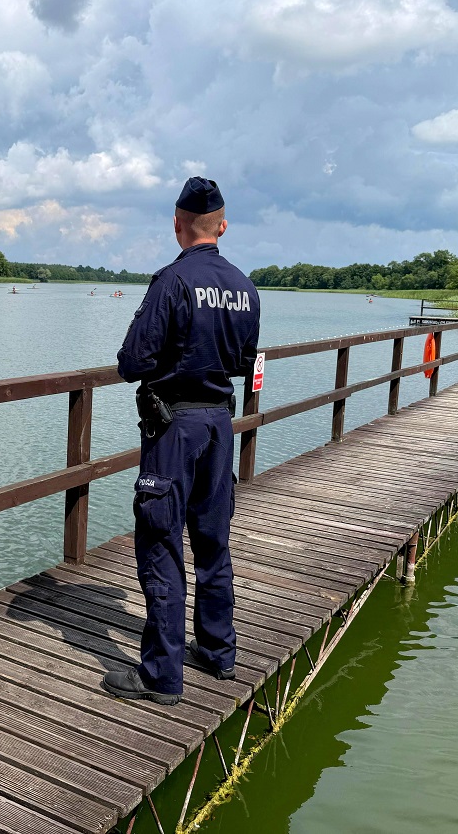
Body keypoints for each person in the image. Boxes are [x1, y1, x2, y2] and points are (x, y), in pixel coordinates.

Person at [101, 177, 261, 704]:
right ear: (222, 225)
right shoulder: (244, 285)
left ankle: (160, 675)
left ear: (177, 224)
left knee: (162, 542)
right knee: (214, 542)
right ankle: (218, 654)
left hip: (174, 428)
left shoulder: (171, 281)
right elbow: (243, 361)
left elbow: (132, 362)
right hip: (219, 423)